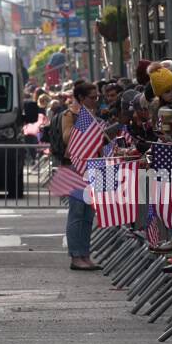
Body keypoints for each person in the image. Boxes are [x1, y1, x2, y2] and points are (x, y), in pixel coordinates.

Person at [62, 81, 103, 271]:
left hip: (93, 166)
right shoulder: (70, 114)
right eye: (91, 98)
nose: (95, 101)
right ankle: (75, 255)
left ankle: (85, 254)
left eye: (97, 97)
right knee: (77, 213)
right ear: (80, 98)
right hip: (75, 167)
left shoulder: (95, 114)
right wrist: (82, 120)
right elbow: (68, 138)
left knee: (88, 214)